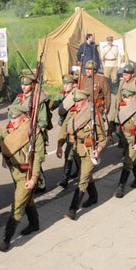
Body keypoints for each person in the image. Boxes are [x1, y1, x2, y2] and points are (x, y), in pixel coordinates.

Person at [0, 104, 44, 251]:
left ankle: (6, 240)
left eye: (15, 118)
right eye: (11, 118)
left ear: (24, 117)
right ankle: (34, 223)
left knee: (17, 205)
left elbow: (38, 157)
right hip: (14, 171)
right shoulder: (9, 130)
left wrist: (34, 178)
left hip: (27, 174)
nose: (12, 121)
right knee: (27, 199)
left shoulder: (34, 132)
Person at [58, 88, 106, 220]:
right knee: (86, 176)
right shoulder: (73, 112)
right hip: (76, 149)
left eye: (79, 101)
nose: (76, 104)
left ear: (85, 101)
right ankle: (94, 196)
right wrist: (59, 145)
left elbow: (103, 137)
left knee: (82, 179)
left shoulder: (94, 114)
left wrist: (99, 149)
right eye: (75, 101)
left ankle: (72, 210)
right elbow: (64, 129)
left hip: (89, 150)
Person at [113, 62, 136, 198]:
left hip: (134, 138)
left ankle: (121, 187)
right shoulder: (123, 102)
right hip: (124, 135)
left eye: (127, 74)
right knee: (132, 159)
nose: (125, 98)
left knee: (128, 160)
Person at [50, 74, 78, 189]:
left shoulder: (75, 95)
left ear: (73, 84)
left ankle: (65, 178)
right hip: (65, 126)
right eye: (64, 84)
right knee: (73, 151)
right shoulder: (64, 94)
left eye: (68, 84)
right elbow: (52, 105)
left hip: (73, 126)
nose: (65, 86)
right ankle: (79, 169)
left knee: (69, 152)